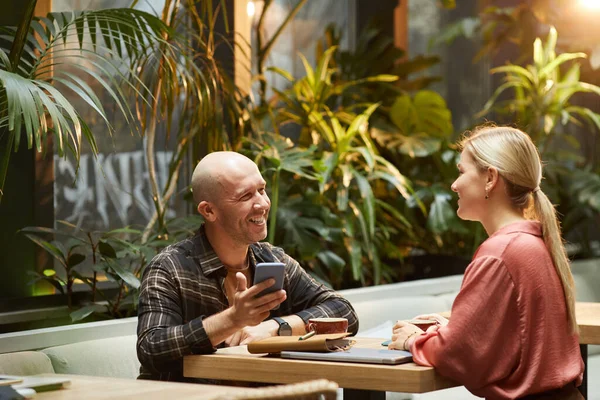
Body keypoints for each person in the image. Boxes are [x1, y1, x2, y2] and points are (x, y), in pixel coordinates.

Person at [389, 126, 584, 399]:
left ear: (490, 177)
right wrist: (449, 329)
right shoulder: (533, 242)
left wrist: (412, 340)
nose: (454, 184)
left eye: (461, 171)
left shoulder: (501, 252)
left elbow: (460, 355)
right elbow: (511, 336)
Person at [137, 151, 358, 382]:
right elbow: (151, 348)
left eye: (262, 190)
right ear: (209, 211)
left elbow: (343, 312)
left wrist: (274, 327)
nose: (262, 204)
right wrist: (232, 320)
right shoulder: (169, 268)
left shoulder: (272, 259)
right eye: (246, 196)